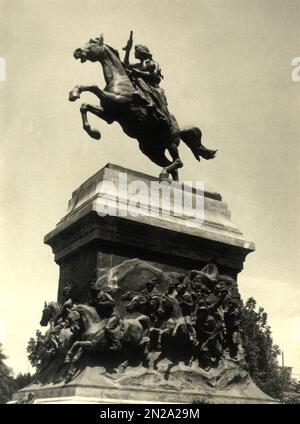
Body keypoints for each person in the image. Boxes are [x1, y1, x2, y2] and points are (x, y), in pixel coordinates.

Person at [124, 44, 170, 124]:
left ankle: (149, 101)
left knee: (138, 79)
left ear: (141, 52)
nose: (134, 53)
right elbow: (126, 65)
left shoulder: (153, 63)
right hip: (138, 85)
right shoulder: (137, 65)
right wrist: (127, 51)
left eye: (136, 51)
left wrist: (138, 72)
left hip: (151, 86)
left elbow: (154, 74)